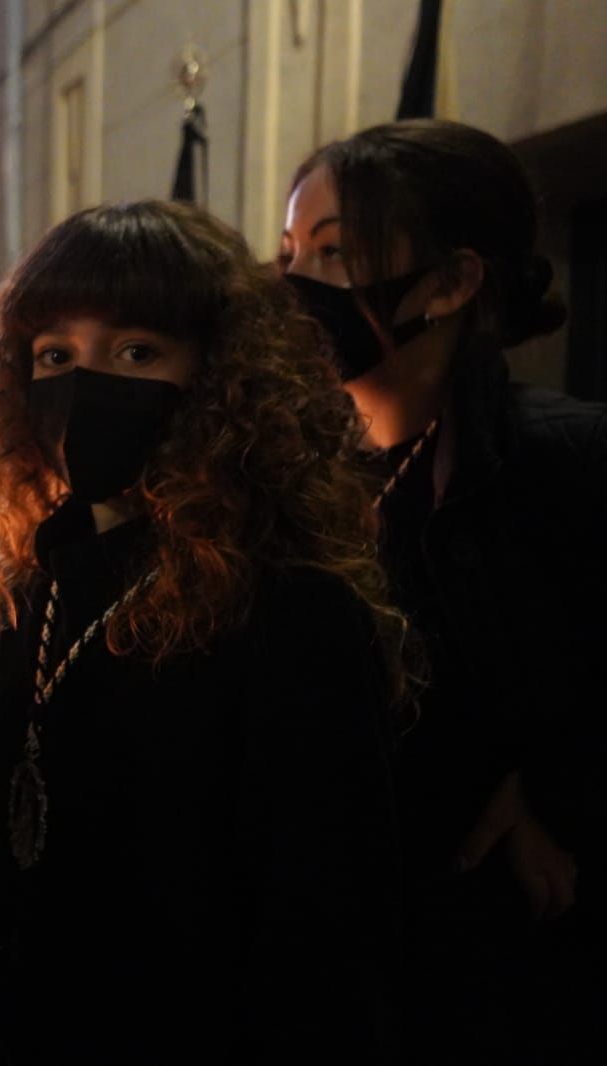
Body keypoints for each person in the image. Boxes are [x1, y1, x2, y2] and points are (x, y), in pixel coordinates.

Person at [0, 201, 408, 1062]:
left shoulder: (291, 610)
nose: (86, 384)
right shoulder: (43, 575)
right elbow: (32, 802)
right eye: (55, 355)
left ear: (218, 375)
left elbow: (320, 929)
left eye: (136, 352)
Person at [280, 119, 607, 1062]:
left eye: (335, 253)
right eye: (291, 249)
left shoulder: (568, 463)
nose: (295, 284)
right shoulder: (305, 484)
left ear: (457, 281)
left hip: (515, 985)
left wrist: (556, 793)